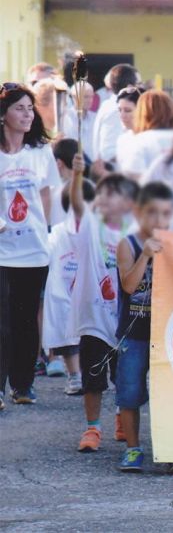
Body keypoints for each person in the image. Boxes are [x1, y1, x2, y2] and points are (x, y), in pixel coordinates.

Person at [69, 154, 139, 451]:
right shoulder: (89, 224)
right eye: (102, 193)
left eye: (115, 194)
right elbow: (75, 201)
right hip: (94, 319)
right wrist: (77, 176)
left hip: (124, 319)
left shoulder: (134, 231)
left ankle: (121, 421)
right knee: (93, 377)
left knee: (124, 377)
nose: (106, 199)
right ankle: (92, 428)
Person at [0, 83, 61, 409]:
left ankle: (23, 384)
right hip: (1, 250)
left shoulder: (39, 152)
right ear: (3, 113)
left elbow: (47, 194)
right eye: (19, 108)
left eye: (29, 108)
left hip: (33, 250)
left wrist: (43, 228)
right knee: (2, 320)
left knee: (25, 319)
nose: (26, 114)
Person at [115, 181, 173, 473]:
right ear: (139, 212)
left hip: (165, 332)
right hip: (134, 331)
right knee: (129, 392)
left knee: (170, 392)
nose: (158, 220)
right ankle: (132, 448)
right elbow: (129, 285)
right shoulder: (127, 244)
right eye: (152, 213)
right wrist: (146, 255)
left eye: (165, 214)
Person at [43, 180, 95, 397]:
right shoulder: (57, 233)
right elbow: (45, 251)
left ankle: (86, 375)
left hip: (88, 292)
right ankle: (75, 375)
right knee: (67, 338)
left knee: (89, 336)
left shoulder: (97, 230)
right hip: (63, 290)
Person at [118, 89, 173, 181]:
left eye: (128, 110)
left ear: (142, 112)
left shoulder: (139, 141)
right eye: (119, 110)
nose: (122, 115)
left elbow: (130, 177)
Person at [91, 64, 140, 164]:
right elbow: (108, 152)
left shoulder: (110, 105)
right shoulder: (115, 110)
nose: (141, 87)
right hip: (114, 173)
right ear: (130, 87)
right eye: (138, 84)